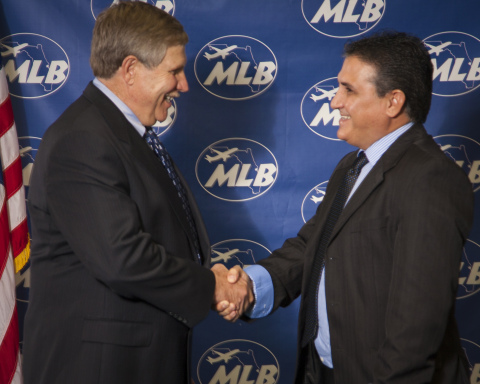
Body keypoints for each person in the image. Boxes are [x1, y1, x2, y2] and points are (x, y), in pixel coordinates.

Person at [219, 32, 474, 383]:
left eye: (349, 90)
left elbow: (415, 330)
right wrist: (251, 285)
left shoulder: (430, 179)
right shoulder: (351, 166)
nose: (335, 101)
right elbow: (314, 247)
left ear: (393, 102)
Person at [22, 2, 250, 384]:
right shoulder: (83, 138)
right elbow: (122, 258)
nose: (184, 85)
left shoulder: (120, 133)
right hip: (99, 368)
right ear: (130, 70)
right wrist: (211, 286)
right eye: (174, 71)